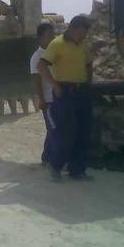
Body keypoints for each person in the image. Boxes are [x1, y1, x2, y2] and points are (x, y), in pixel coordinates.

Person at [37, 15, 94, 181]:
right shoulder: (57, 44)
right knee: (65, 132)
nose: (83, 37)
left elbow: (88, 64)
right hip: (65, 92)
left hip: (81, 92)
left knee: (83, 131)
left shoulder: (83, 45)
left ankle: (77, 170)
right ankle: (55, 166)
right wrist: (55, 86)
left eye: (85, 34)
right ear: (72, 29)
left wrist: (88, 84)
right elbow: (41, 66)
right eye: (82, 33)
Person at [29, 22, 56, 165]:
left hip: (58, 97)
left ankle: (47, 157)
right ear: (40, 38)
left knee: (55, 129)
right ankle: (49, 159)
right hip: (48, 99)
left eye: (53, 34)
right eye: (49, 35)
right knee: (53, 129)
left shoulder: (55, 53)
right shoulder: (37, 57)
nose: (53, 37)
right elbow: (36, 81)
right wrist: (41, 100)